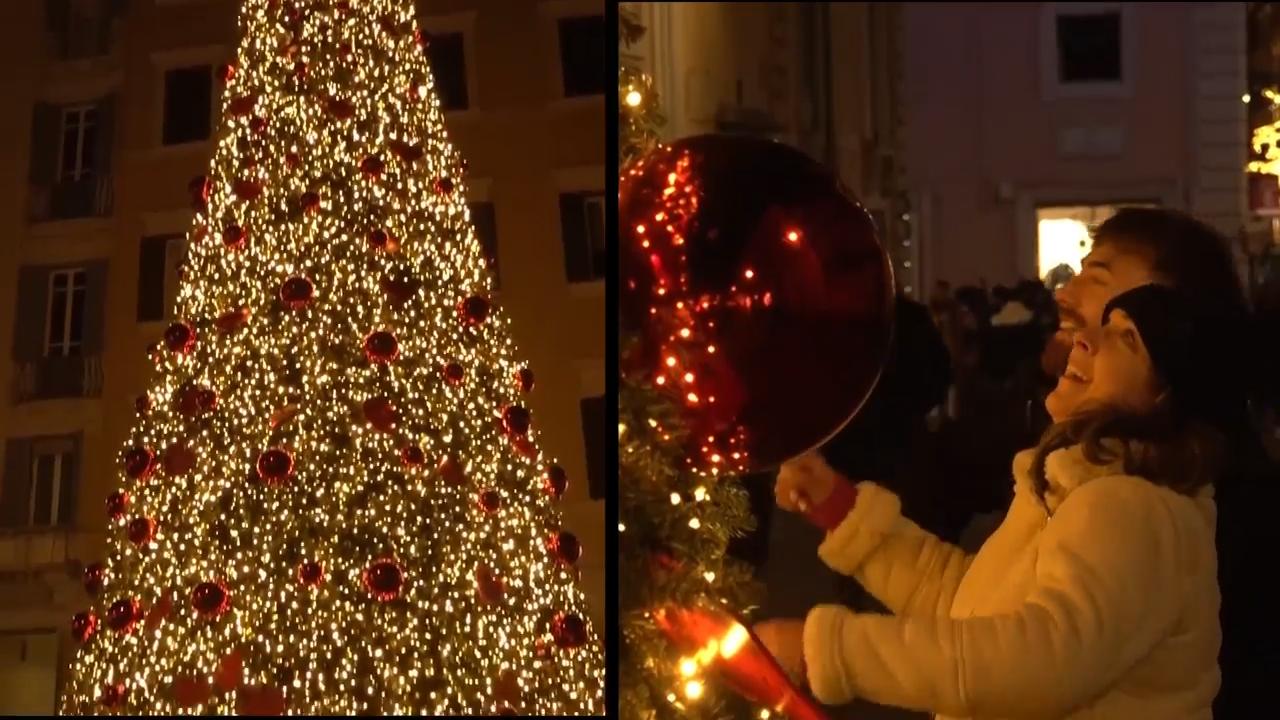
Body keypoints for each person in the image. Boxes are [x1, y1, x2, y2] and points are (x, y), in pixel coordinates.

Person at [756, 208, 1277, 717]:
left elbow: (1035, 657)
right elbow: (978, 606)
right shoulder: (1087, 480)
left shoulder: (1134, 503)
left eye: (1123, 330)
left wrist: (828, 650)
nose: (1069, 309)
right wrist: (845, 514)